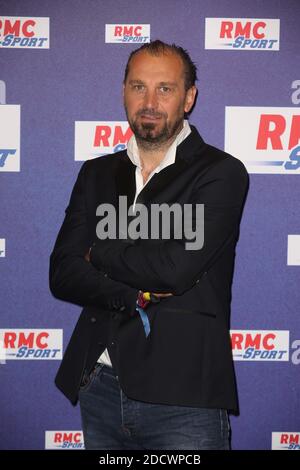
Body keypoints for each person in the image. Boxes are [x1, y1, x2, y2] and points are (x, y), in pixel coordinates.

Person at [49, 39, 249, 450]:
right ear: (123, 91)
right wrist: (133, 293)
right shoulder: (96, 173)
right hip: (100, 385)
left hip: (184, 396)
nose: (150, 101)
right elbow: (63, 272)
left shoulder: (221, 173)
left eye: (165, 88)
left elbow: (175, 268)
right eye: (138, 86)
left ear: (189, 97)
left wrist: (99, 252)